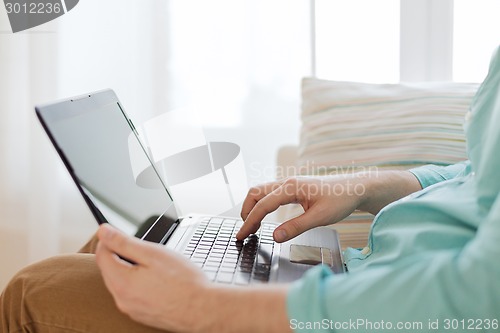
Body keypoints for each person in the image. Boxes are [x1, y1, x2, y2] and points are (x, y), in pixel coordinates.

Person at [2, 47, 500, 332]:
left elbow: (480, 300)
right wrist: (362, 186)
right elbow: (477, 175)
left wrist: (205, 305)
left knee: (37, 287)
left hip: (370, 312)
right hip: (368, 280)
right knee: (120, 247)